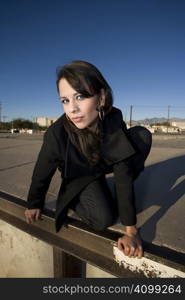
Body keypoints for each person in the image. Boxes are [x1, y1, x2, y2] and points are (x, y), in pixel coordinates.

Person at [25, 60, 152, 259]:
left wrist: (131, 231)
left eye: (80, 96)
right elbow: (42, 170)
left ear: (101, 97)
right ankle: (78, 198)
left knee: (141, 136)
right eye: (65, 100)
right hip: (80, 176)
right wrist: (34, 202)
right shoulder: (56, 133)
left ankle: (114, 195)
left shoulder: (112, 118)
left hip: (101, 164)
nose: (72, 108)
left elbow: (123, 167)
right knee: (103, 219)